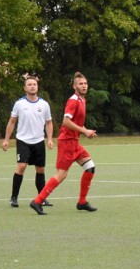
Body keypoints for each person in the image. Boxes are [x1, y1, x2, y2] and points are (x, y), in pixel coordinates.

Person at [29, 72, 98, 215]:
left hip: (74, 142)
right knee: (61, 174)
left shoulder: (82, 100)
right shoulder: (73, 100)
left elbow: (76, 123)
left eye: (85, 83)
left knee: (90, 167)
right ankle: (37, 201)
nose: (84, 86)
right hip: (67, 142)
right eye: (80, 84)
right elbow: (66, 122)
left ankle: (82, 202)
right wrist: (84, 132)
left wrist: (86, 131)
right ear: (74, 86)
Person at [2, 76, 54, 208]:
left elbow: (49, 122)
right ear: (25, 88)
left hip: (38, 141)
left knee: (40, 169)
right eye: (29, 84)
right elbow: (12, 122)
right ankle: (14, 197)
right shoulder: (19, 104)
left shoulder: (44, 104)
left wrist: (49, 139)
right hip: (23, 140)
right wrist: (6, 140)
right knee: (21, 166)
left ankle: (41, 198)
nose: (32, 86)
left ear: (37, 87)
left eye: (34, 84)